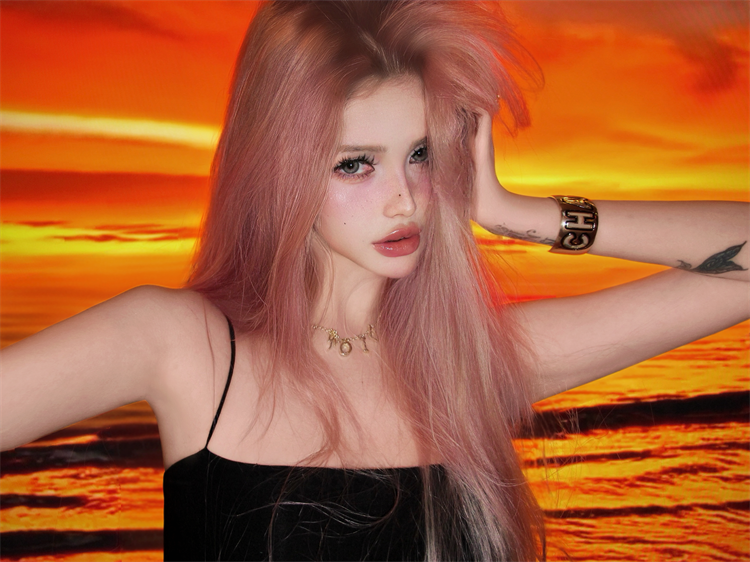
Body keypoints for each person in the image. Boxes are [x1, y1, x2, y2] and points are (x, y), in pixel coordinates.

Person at [1, 1, 747, 561]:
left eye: (420, 155)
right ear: (278, 173)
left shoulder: (475, 359)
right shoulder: (181, 345)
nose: (405, 199)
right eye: (355, 164)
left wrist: (512, 211)